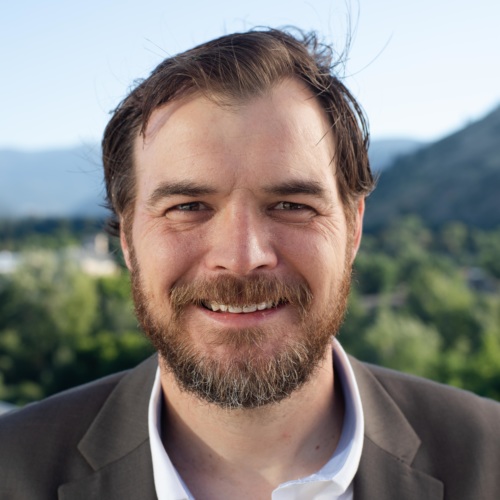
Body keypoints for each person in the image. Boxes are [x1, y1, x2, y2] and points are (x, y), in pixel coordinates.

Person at [0, 28, 499, 500]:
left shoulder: (488, 460)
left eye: (291, 205)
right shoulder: (12, 469)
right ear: (127, 238)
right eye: (188, 207)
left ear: (353, 228)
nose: (241, 258)